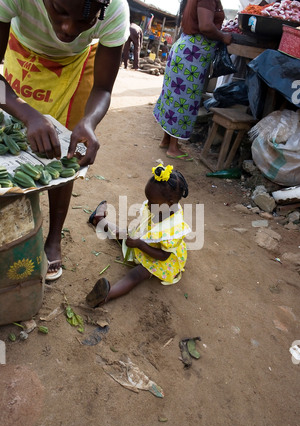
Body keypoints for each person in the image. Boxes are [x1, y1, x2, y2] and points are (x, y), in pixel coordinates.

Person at [0, 0, 130, 280]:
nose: (68, 29)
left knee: (67, 154)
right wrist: (27, 114)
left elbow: (104, 88)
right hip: (24, 54)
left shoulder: (116, 10)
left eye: (85, 21)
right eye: (59, 12)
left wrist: (89, 122)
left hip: (77, 65)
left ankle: (54, 238)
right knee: (11, 140)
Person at [85, 164, 191, 307]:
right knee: (121, 233)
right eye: (148, 200)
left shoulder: (174, 228)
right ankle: (98, 219)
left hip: (158, 258)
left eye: (151, 202)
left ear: (169, 203)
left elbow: (164, 256)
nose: (147, 205)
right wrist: (136, 239)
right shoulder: (159, 207)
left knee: (136, 274)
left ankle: (106, 295)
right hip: (144, 240)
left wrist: (140, 244)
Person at [153, 0, 232, 161]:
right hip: (191, 56)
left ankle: (167, 140)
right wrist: (224, 36)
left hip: (186, 51)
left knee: (173, 97)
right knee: (183, 100)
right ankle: (173, 148)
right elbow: (206, 26)